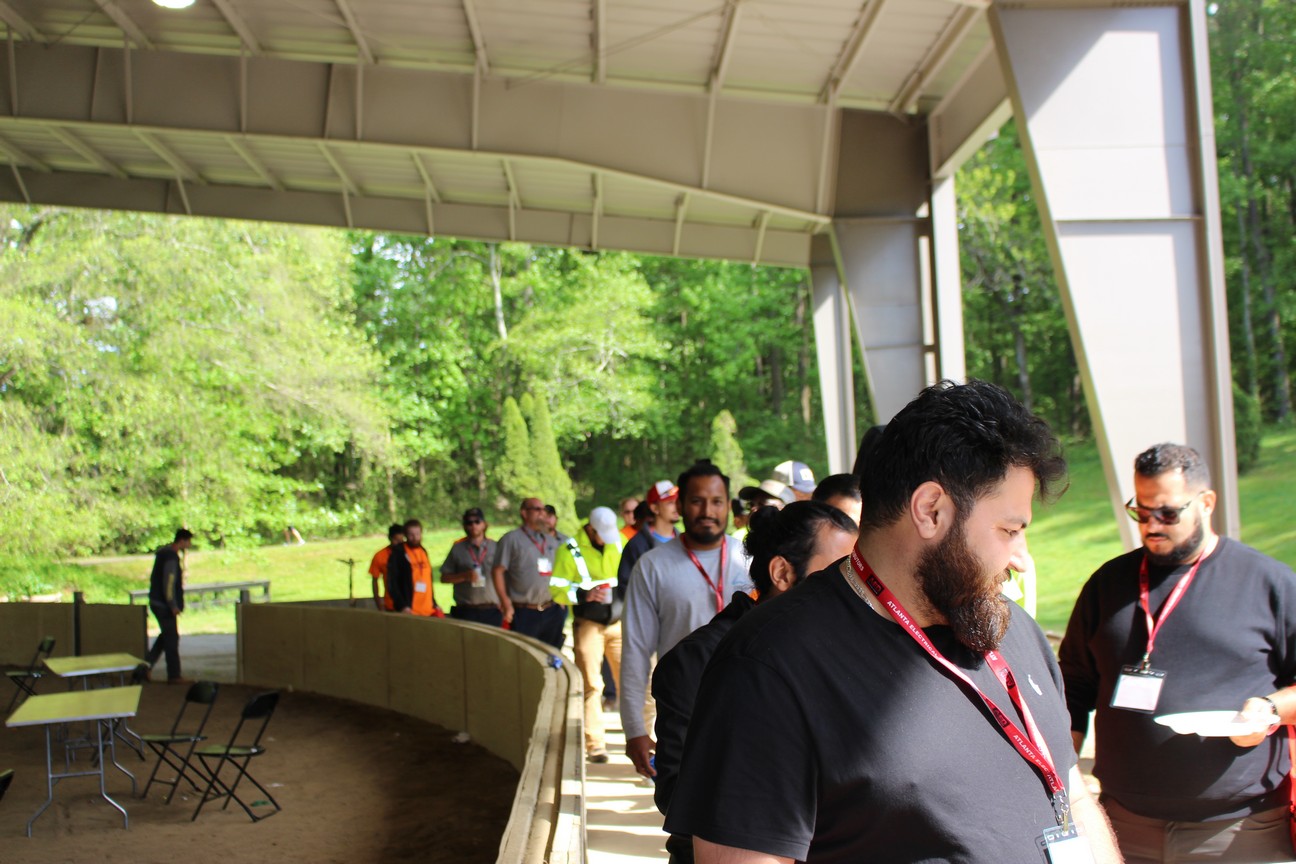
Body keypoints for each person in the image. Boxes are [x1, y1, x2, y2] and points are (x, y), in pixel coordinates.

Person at [666, 381, 1121, 864]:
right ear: (931, 510)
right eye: (1008, 530)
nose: (1019, 560)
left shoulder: (1015, 630)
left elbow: (1071, 795)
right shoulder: (770, 666)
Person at [1059, 442, 1296, 863]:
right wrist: (1060, 785)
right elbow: (1073, 689)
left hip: (1238, 830)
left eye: (1167, 513)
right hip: (1122, 824)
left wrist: (1269, 708)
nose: (1152, 525)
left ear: (1206, 503)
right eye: (1141, 511)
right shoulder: (1107, 585)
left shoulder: (1267, 583)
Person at [653, 501, 859, 864]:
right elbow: (676, 790)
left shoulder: (837, 649)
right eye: (835, 577)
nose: (852, 594)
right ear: (782, 573)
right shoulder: (699, 659)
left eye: (856, 579)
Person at [620, 461, 753, 780]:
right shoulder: (652, 567)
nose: (707, 511)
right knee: (681, 800)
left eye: (717, 501)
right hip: (682, 710)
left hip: (748, 705)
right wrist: (634, 729)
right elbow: (636, 650)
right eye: (697, 501)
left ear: (728, 506)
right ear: (679, 506)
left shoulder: (750, 559)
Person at [553, 506, 624, 763]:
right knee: (592, 685)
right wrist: (584, 595)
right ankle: (595, 745)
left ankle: (638, 737)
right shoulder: (569, 550)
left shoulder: (619, 541)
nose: (606, 539)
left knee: (630, 681)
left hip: (618, 623)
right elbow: (557, 589)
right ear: (591, 529)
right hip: (588, 624)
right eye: (602, 534)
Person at [492, 497, 565, 648]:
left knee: (551, 654)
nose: (542, 513)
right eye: (537, 509)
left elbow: (562, 569)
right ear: (524, 513)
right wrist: (505, 602)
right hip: (524, 611)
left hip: (552, 609)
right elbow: (498, 571)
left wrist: (561, 595)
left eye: (544, 510)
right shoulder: (511, 539)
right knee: (525, 654)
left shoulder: (550, 540)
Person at [146, 528, 194, 684]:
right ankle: (174, 675)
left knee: (166, 636)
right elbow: (169, 583)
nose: (189, 545)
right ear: (182, 541)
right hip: (164, 605)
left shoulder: (164, 554)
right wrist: (172, 604)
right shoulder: (171, 558)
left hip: (157, 601)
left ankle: (145, 667)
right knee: (172, 639)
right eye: (188, 541)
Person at [440, 508, 501, 626]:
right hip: (466, 610)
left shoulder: (496, 547)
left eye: (477, 521)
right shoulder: (457, 548)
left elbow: (506, 575)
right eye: (469, 522)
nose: (473, 525)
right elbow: (444, 578)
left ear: (484, 524)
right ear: (465, 526)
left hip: (492, 609)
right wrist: (464, 576)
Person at [617, 480, 680, 589]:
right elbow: (625, 587)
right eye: (670, 502)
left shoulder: (686, 542)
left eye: (678, 501)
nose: (677, 506)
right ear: (654, 508)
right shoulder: (637, 545)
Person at [386, 519, 442, 617]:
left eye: (417, 534)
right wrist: (402, 606)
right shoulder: (399, 552)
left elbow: (428, 579)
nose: (415, 538)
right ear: (405, 535)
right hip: (410, 610)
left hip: (428, 609)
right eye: (411, 535)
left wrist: (434, 603)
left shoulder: (423, 551)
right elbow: (392, 582)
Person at [368, 524, 405, 611]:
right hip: (391, 604)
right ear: (390, 538)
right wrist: (378, 602)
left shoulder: (410, 554)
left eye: (402, 540)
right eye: (396, 540)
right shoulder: (380, 556)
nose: (399, 543)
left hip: (411, 604)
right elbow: (375, 580)